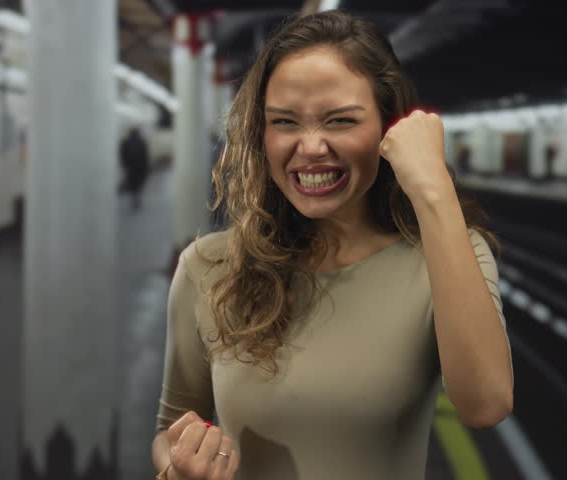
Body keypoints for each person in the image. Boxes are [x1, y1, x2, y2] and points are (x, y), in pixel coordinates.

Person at [152, 11, 513, 480]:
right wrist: (179, 466)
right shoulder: (207, 266)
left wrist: (432, 189)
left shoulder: (444, 258)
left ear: (388, 128)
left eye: (340, 120)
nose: (311, 147)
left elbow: (485, 404)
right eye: (284, 122)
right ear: (261, 135)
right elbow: (172, 429)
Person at [120, 127, 150, 209]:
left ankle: (134, 195)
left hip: (131, 166)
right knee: (139, 182)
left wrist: (125, 165)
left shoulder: (125, 142)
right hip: (140, 166)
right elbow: (145, 155)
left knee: (132, 182)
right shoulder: (142, 142)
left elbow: (123, 155)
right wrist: (146, 167)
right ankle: (137, 195)